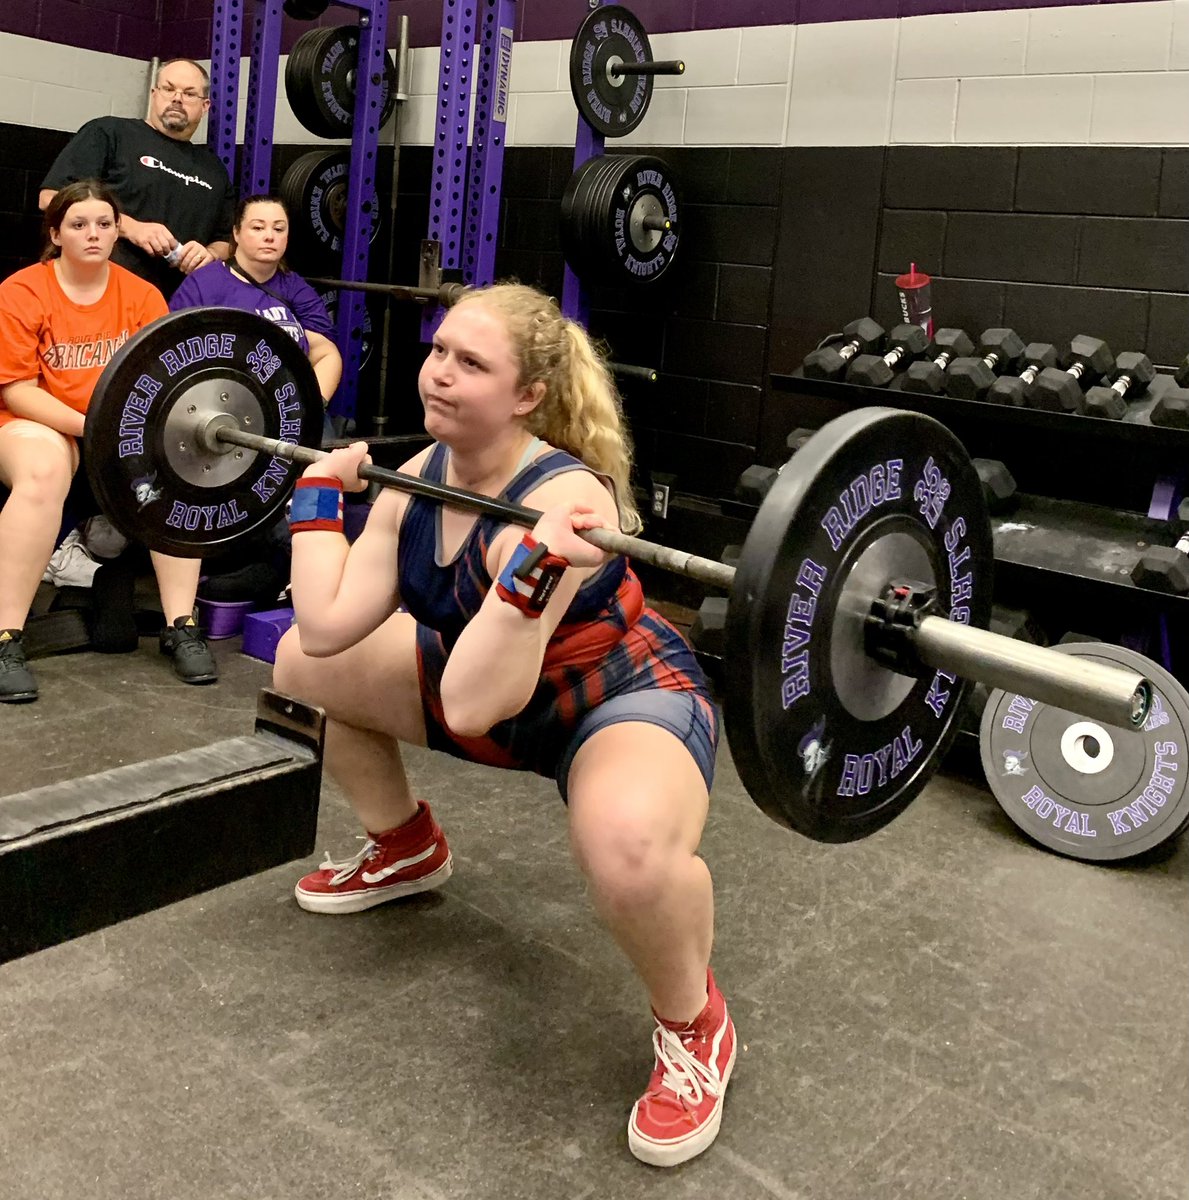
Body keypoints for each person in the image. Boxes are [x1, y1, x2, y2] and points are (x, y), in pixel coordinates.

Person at [272, 283, 735, 1168]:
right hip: (484, 685)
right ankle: (404, 846)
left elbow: (476, 704)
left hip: (611, 698)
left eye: (470, 363)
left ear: (527, 396)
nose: (438, 375)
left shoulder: (569, 503)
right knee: (299, 663)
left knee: (629, 849)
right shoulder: (415, 482)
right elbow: (327, 626)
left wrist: (532, 566)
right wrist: (318, 499)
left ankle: (695, 1025)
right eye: (437, 351)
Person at [0, 181, 218, 703]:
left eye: (104, 224)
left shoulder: (142, 295)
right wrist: (91, 427)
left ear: (118, 231)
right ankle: (6, 637)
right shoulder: (22, 290)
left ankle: (180, 625)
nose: (93, 234)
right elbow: (18, 389)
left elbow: (163, 381)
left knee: (180, 469)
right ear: (56, 233)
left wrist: (126, 431)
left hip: (121, 427)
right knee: (43, 473)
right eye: (78, 224)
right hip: (42, 420)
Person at [39, 58, 233, 299]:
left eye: (189, 93)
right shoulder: (109, 133)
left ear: (205, 106)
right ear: (154, 93)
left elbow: (227, 241)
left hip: (175, 306)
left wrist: (209, 255)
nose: (177, 98)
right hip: (99, 296)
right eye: (168, 88)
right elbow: (50, 198)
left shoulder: (214, 169)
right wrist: (131, 228)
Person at [169, 194, 343, 418]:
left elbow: (325, 353)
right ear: (236, 233)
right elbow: (174, 352)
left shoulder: (296, 288)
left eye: (279, 229)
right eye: (258, 228)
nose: (269, 237)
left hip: (286, 409)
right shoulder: (203, 283)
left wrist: (307, 412)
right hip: (217, 408)